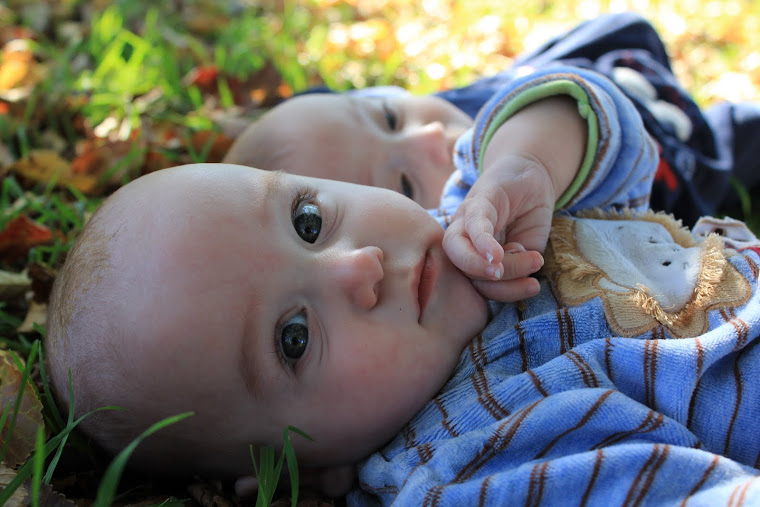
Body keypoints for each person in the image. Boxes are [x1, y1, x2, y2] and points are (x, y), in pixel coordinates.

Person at [44, 64, 759, 505]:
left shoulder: (472, 209)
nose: (356, 267)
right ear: (290, 470)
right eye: (294, 338)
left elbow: (599, 116)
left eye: (309, 219)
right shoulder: (469, 461)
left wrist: (530, 163)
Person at [224, 12, 760, 226]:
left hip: (602, 62)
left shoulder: (442, 108)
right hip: (682, 156)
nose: (428, 135)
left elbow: (330, 112)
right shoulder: (497, 220)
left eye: (390, 116)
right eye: (406, 182)